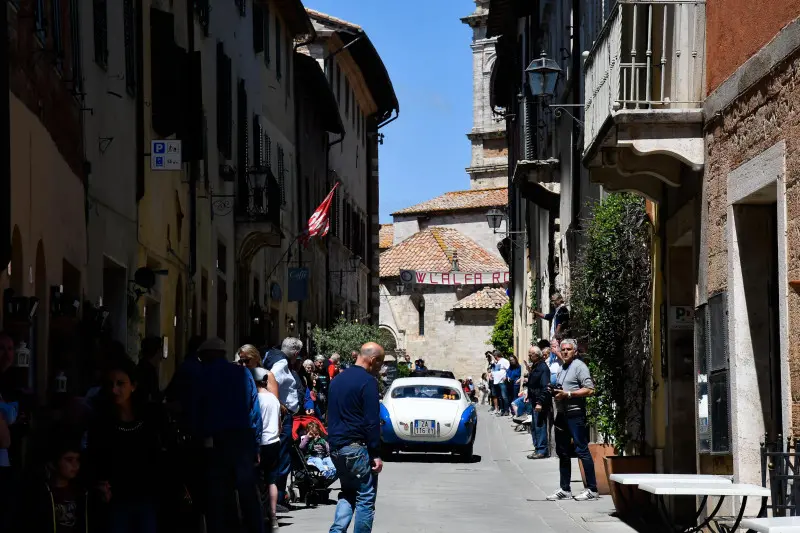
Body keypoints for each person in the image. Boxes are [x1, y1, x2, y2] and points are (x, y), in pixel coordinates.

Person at [194, 338, 264, 533]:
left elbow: (196, 410)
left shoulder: (203, 375)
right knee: (248, 493)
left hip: (216, 442)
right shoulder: (242, 373)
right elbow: (254, 411)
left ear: (207, 356)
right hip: (243, 439)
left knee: (217, 495)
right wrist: (256, 443)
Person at [86, 356, 164, 532]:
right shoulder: (102, 422)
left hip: (146, 498)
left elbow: (157, 456)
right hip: (116, 501)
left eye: (120, 384)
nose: (114, 390)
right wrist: (99, 484)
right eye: (110, 384)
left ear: (133, 386)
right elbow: (94, 458)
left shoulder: (149, 418)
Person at [327, 342, 385, 533]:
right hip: (356, 448)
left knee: (348, 492)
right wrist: (375, 453)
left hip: (336, 447)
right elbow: (371, 421)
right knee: (365, 497)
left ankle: (336, 531)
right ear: (373, 360)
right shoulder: (368, 382)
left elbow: (331, 415)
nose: (380, 368)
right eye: (380, 363)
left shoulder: (337, 380)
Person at [547, 339, 598, 501]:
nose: (565, 352)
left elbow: (590, 389)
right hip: (562, 414)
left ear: (575, 351)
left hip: (575, 414)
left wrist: (569, 394)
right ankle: (565, 489)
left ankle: (592, 489)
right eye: (563, 350)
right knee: (562, 452)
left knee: (581, 449)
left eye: (569, 349)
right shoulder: (562, 368)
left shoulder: (579, 367)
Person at [262, 338, 303, 512]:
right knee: (282, 458)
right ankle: (277, 499)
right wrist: (280, 405)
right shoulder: (280, 363)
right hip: (282, 417)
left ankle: (276, 499)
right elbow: (272, 379)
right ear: (295, 353)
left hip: (282, 414)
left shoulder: (276, 358)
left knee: (280, 457)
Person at [22, 437, 90, 533]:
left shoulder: (81, 491)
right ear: (53, 463)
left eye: (77, 459)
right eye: (69, 460)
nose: (76, 465)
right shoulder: (41, 493)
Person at [252, 367, 281, 532]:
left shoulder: (256, 399)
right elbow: (278, 423)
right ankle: (274, 515)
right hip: (274, 441)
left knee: (257, 479)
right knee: (272, 480)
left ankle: (259, 513)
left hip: (260, 442)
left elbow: (255, 422)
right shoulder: (273, 399)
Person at [526, 345, 551, 460]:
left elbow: (545, 387)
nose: (529, 356)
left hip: (539, 401)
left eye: (531, 354)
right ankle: (537, 448)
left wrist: (540, 402)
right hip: (533, 399)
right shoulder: (536, 366)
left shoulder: (543, 368)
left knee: (539, 425)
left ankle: (542, 450)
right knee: (534, 426)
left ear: (537, 355)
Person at [136, 337, 165, 405]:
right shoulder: (150, 372)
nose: (161, 357)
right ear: (157, 352)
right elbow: (154, 397)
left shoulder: (140, 367)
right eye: (160, 352)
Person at [491, 351, 510, 416]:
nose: (494, 358)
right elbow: (496, 371)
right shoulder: (497, 362)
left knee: (504, 396)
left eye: (494, 356)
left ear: (496, 356)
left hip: (502, 382)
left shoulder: (504, 361)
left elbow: (509, 369)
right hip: (496, 382)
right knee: (500, 397)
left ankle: (506, 410)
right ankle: (502, 410)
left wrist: (506, 376)